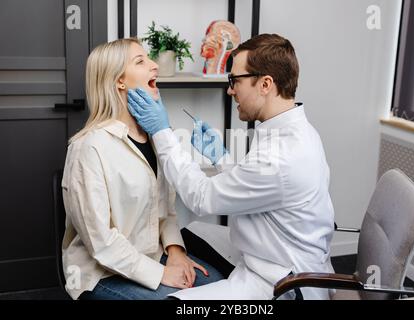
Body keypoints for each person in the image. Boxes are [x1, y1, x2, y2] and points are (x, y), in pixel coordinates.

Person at [127, 34, 335, 300]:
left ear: (265, 84)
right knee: (192, 233)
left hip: (282, 285)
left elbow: (201, 198)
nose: (230, 90)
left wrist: (162, 132)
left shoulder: (282, 156)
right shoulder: (296, 132)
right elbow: (257, 187)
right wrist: (222, 159)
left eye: (235, 80)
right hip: (276, 256)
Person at [61, 38, 224, 300]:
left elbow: (166, 211)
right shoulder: (88, 147)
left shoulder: (155, 137)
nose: (154, 66)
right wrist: (160, 275)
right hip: (101, 273)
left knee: (225, 293)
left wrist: (175, 251)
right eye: (140, 61)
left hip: (154, 254)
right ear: (119, 81)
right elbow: (100, 241)